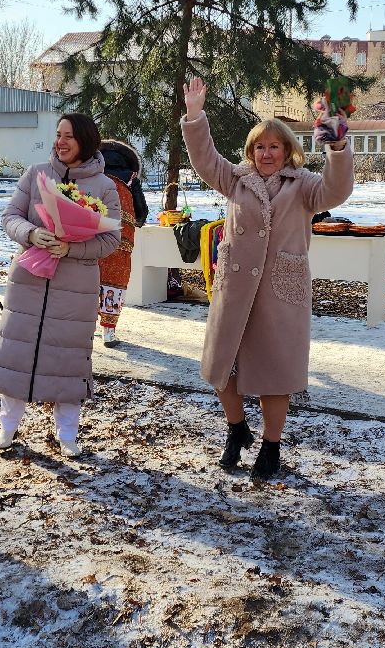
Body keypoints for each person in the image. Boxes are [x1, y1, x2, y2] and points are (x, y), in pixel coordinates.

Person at [180, 76, 354, 480]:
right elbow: (205, 159)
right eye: (259, 146)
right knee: (222, 366)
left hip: (281, 292)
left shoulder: (305, 186)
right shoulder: (235, 179)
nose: (266, 152)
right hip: (235, 288)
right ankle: (237, 429)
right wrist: (194, 115)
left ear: (288, 150)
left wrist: (337, 143)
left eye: (274, 146)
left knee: (275, 375)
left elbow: (337, 188)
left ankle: (271, 446)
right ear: (250, 151)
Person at [0, 113, 121, 456]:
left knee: (67, 360)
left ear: (86, 140)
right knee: (16, 353)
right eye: (58, 135)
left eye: (69, 136)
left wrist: (71, 247)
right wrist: (31, 233)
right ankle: (7, 428)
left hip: (75, 288)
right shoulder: (36, 174)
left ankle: (67, 434)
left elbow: (111, 240)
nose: (61, 142)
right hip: (28, 281)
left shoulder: (105, 187)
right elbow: (10, 217)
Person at [97, 138, 147, 347]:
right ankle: (108, 333)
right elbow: (141, 211)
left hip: (92, 238)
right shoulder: (130, 178)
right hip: (120, 241)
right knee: (114, 282)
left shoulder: (93, 175)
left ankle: (82, 330)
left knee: (86, 281)